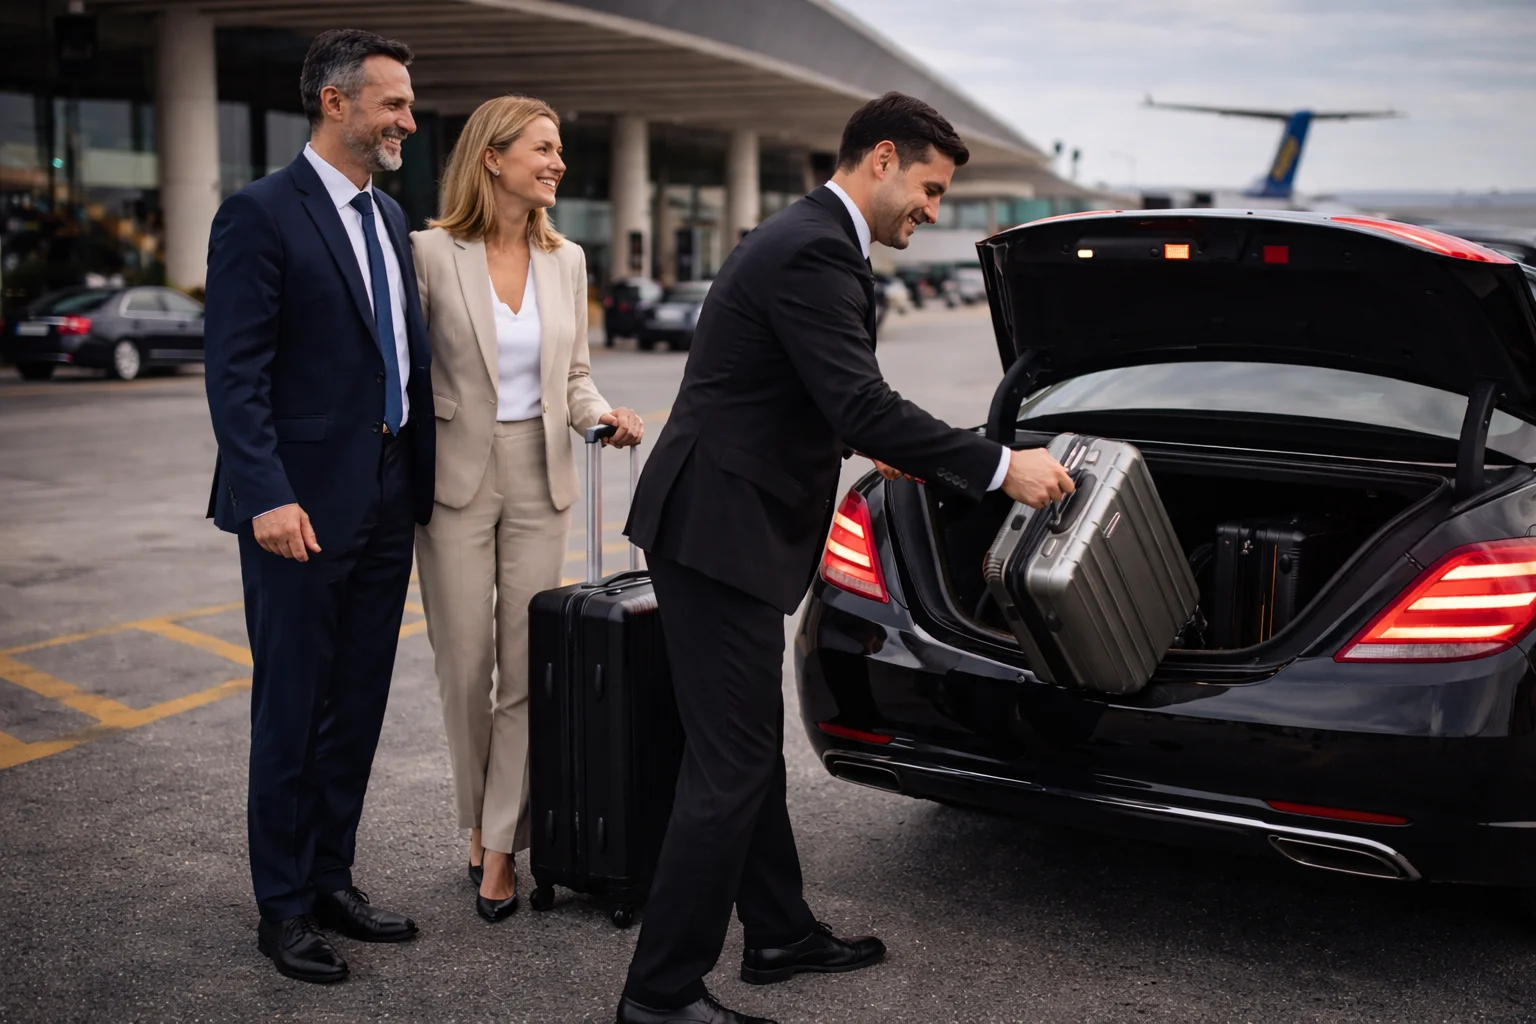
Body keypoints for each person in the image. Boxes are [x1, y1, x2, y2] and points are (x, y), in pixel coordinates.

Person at [620, 92, 1074, 1024]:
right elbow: (860, 402)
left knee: (739, 757)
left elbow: (820, 398)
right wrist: (997, 466)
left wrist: (891, 442)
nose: (933, 212)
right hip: (718, 535)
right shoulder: (816, 250)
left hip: (721, 525)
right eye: (931, 189)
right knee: (731, 768)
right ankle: (660, 995)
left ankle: (780, 934)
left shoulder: (808, 240)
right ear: (879, 159)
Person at [202, 28, 434, 984]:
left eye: (408, 105)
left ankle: (332, 875)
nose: (407, 121)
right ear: (335, 104)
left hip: (386, 495)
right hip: (296, 509)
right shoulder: (260, 214)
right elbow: (235, 373)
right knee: (292, 709)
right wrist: (266, 496)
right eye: (393, 104)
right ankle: (284, 908)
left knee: (359, 704)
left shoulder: (387, 217)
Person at [409, 96, 643, 923]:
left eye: (560, 152)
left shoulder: (566, 260)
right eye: (543, 150)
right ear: (493, 158)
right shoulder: (429, 255)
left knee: (527, 671)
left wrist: (601, 416)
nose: (558, 164)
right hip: (453, 479)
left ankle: (502, 845)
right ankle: (478, 818)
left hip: (540, 477)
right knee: (464, 670)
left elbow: (574, 376)